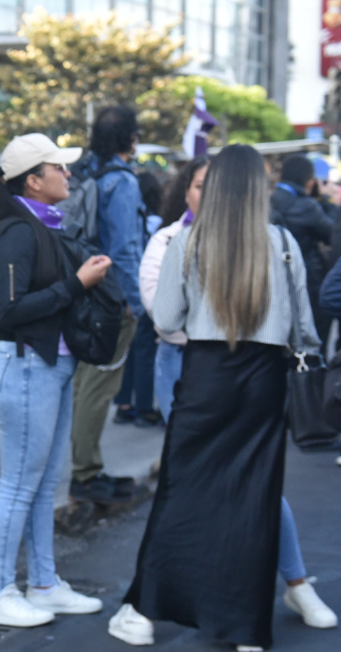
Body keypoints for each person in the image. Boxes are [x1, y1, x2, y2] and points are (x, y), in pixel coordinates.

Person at [110, 145, 327, 652]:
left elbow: (166, 318)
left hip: (206, 376)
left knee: (182, 494)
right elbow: (305, 331)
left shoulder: (187, 241)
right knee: (253, 497)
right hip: (264, 381)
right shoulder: (284, 243)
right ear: (257, 189)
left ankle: (144, 611)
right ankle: (245, 628)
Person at [0, 134, 111, 628]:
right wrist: (77, 283)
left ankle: (44, 584)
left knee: (39, 484)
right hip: (27, 366)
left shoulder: (38, 225)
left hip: (44, 366)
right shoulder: (18, 229)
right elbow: (6, 311)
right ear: (34, 180)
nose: (68, 174)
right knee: (20, 486)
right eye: (59, 167)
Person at [68, 106, 146, 504]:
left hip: (84, 288)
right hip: (112, 296)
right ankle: (86, 474)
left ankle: (85, 465)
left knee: (85, 383)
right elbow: (125, 247)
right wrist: (133, 300)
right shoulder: (122, 181)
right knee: (100, 385)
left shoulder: (86, 172)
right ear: (131, 138)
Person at [140, 156, 208, 422]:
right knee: (180, 436)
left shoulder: (243, 240)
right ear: (186, 192)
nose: (208, 194)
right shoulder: (166, 239)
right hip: (178, 354)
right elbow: (155, 303)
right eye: (200, 186)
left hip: (229, 358)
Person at [112, 171, 164, 426]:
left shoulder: (127, 218)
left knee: (129, 350)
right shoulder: (157, 223)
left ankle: (124, 405)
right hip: (143, 290)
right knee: (144, 350)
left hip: (126, 288)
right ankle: (144, 407)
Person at [271, 155, 334, 342]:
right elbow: (331, 233)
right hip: (308, 279)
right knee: (314, 335)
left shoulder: (268, 201)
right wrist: (325, 199)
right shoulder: (307, 206)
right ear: (310, 181)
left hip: (274, 278)